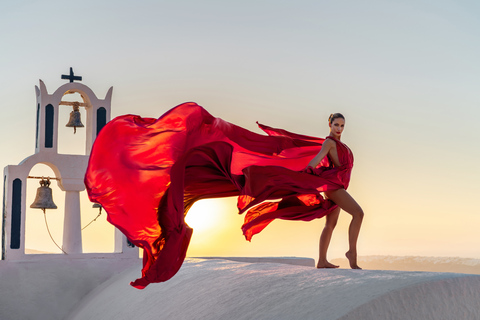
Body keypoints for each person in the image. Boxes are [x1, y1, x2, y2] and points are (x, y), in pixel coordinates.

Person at [304, 113, 363, 269]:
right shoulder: (329, 143)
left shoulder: (340, 144)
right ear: (329, 124)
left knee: (330, 224)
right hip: (334, 187)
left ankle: (322, 261)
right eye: (336, 124)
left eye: (342, 125)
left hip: (338, 186)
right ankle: (352, 253)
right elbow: (318, 158)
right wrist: (306, 171)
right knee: (358, 214)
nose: (339, 128)